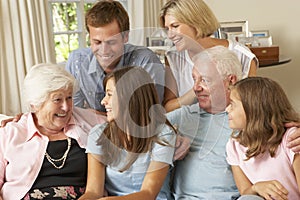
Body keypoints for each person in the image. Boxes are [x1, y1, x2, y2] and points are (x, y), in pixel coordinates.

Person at [0, 63, 106, 199]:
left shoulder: (86, 120)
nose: (66, 107)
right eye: (57, 100)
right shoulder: (9, 133)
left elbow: (120, 120)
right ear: (35, 104)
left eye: (69, 97)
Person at [79, 67, 177, 199]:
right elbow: (93, 192)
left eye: (109, 94)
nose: (103, 102)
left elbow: (148, 194)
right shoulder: (98, 134)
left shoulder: (163, 135)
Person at [166, 45, 242, 199]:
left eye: (204, 80)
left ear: (230, 81)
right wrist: (169, 137)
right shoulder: (184, 115)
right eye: (194, 79)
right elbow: (142, 129)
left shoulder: (247, 118)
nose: (196, 88)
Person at [65, 0, 165, 114]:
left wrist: (96, 115)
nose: (104, 51)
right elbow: (74, 113)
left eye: (111, 42)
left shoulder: (146, 61)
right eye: (97, 42)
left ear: (125, 37)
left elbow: (148, 114)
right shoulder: (77, 62)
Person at [160, 0, 258, 112]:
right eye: (167, 28)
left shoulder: (242, 56)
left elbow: (252, 106)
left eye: (175, 26)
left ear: (195, 22)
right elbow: (168, 108)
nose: (170, 35)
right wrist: (197, 89)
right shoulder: (173, 58)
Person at [226, 77, 300, 200]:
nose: (227, 109)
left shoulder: (292, 139)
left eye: (232, 104)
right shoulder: (234, 146)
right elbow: (244, 191)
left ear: (253, 109)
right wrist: (256, 187)